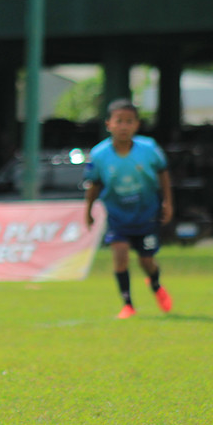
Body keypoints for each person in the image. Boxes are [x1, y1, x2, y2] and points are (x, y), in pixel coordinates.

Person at [84, 98, 173, 319]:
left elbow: (163, 174)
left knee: (146, 261)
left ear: (137, 125)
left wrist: (168, 202)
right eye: (119, 121)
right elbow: (94, 184)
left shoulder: (149, 149)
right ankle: (128, 305)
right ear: (109, 124)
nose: (124, 126)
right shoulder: (99, 154)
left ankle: (155, 284)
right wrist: (88, 211)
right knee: (120, 255)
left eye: (129, 121)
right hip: (118, 215)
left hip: (146, 214)